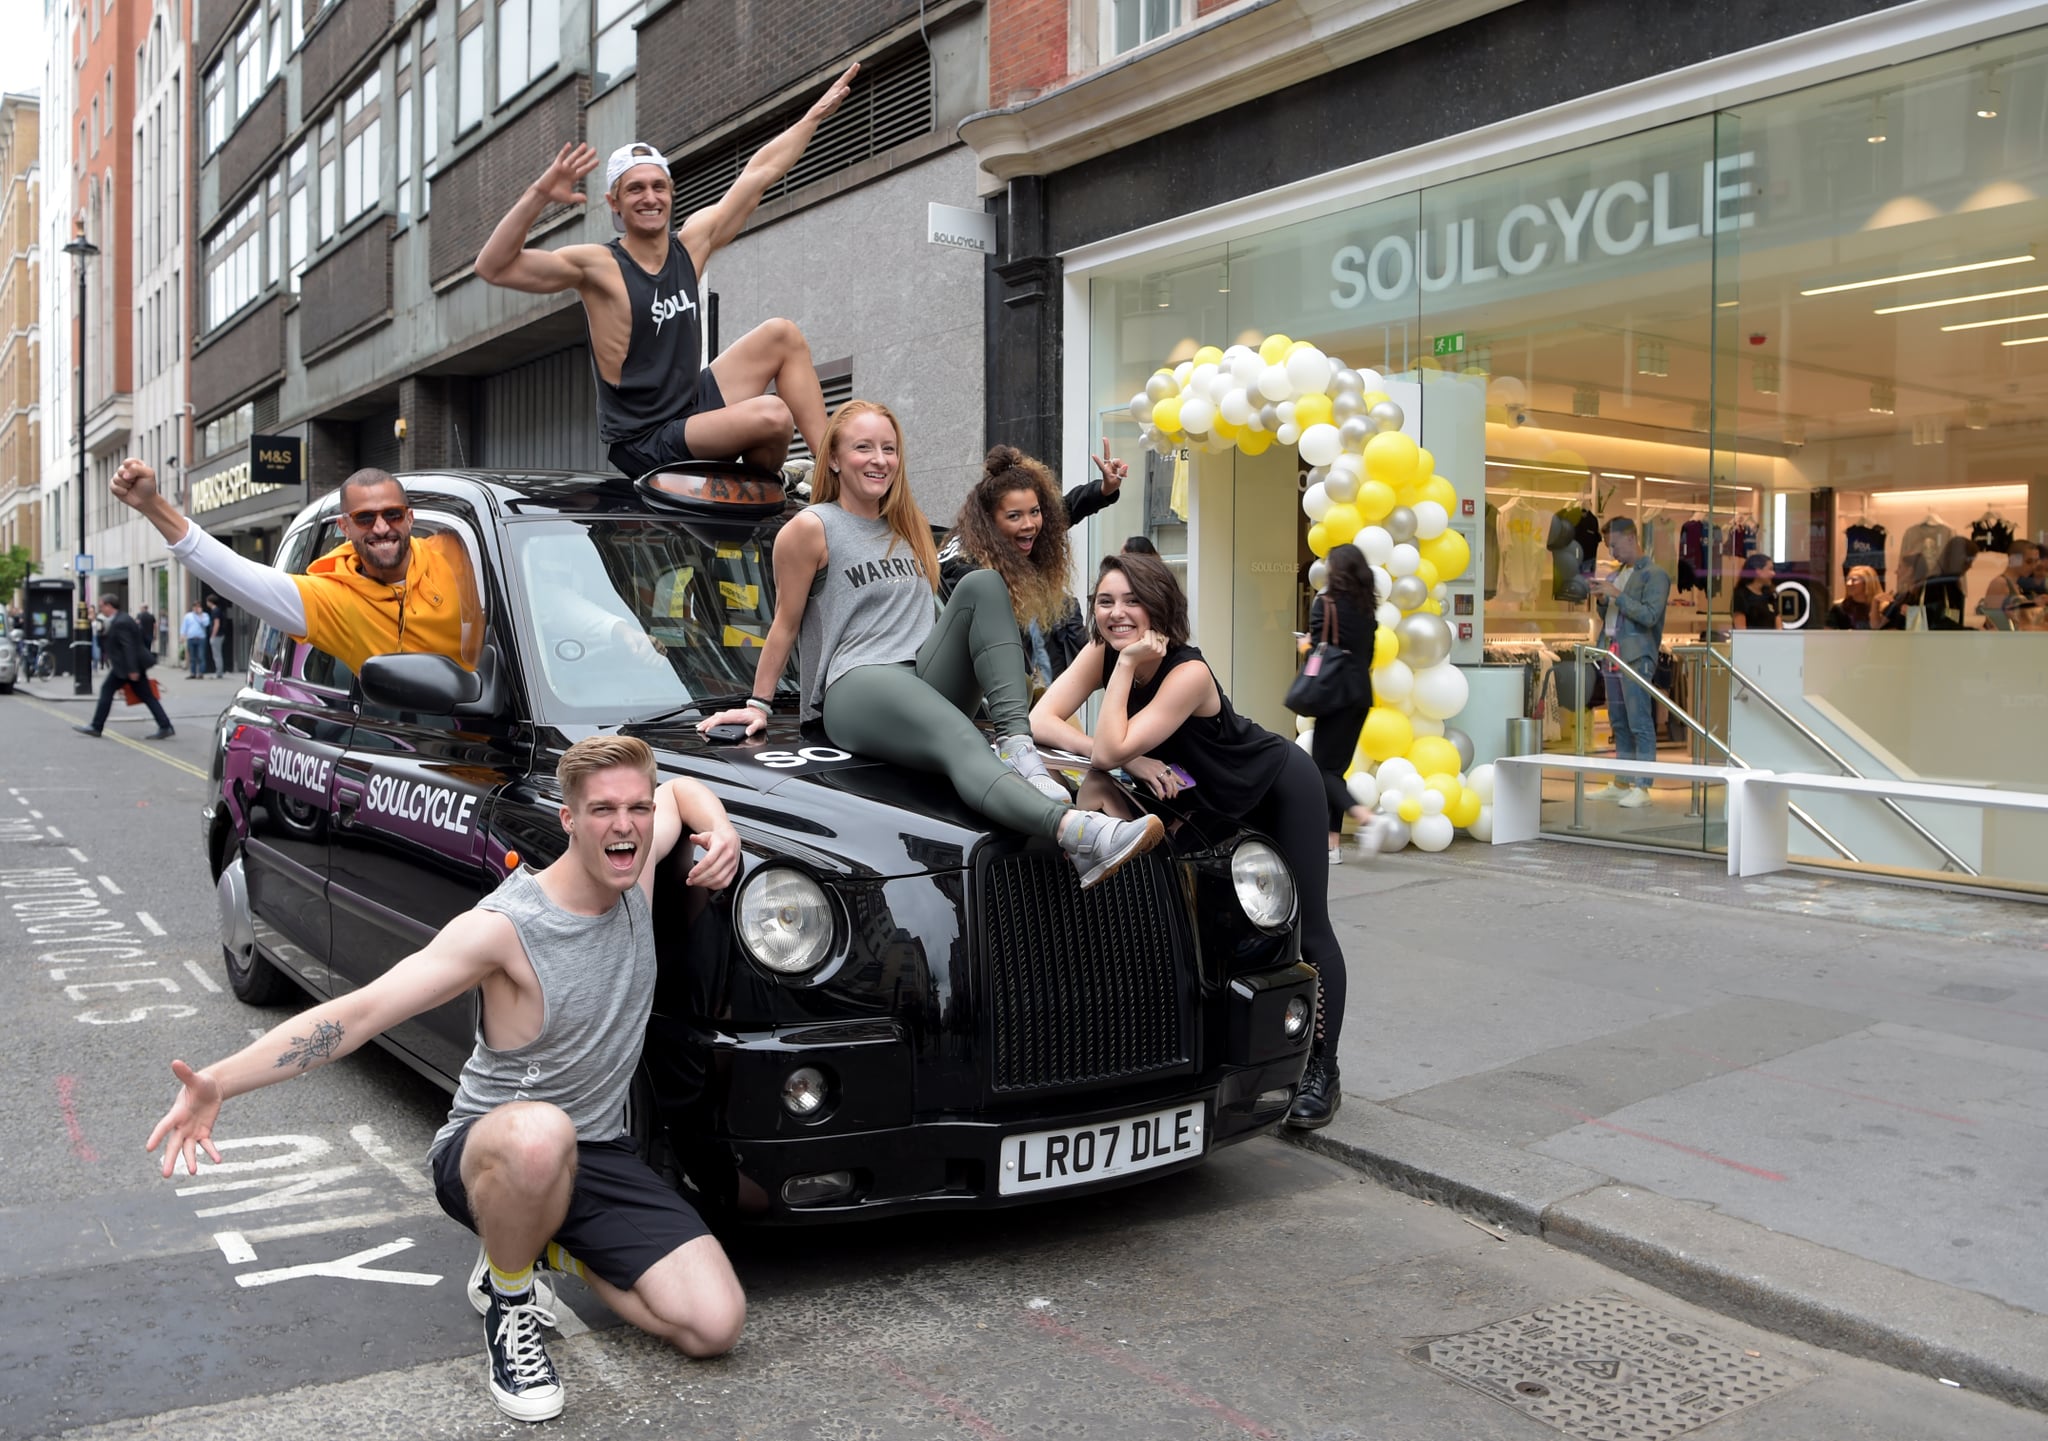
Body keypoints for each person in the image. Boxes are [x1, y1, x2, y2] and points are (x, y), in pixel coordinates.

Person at [146, 736, 744, 1424]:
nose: (627, 823)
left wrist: (718, 826)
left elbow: (680, 794)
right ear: (569, 820)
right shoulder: (507, 927)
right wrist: (220, 1080)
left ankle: (538, 1246)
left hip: (597, 1152)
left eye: (636, 808)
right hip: (492, 1152)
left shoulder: (634, 875)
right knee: (539, 1130)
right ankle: (510, 1301)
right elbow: (361, 1012)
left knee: (713, 1323)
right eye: (604, 809)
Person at [693, 400, 1164, 889]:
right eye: (863, 447)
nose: (879, 459)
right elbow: (784, 624)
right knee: (961, 738)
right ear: (832, 458)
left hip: (920, 675)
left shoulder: (909, 526)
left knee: (983, 584)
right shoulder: (813, 527)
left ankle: (1018, 744)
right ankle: (1080, 835)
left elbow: (1021, 528)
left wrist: (1100, 494)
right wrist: (758, 705)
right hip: (857, 685)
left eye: (889, 448)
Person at [1028, 551, 1348, 1128]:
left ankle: (1323, 1071)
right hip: (1204, 802)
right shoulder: (1102, 651)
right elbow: (1043, 721)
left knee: (1308, 927)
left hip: (1275, 785)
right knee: (1103, 788)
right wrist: (1140, 755)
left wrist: (1122, 676)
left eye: (1132, 601)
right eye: (1105, 601)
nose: (1116, 613)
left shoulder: (1186, 671)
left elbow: (1106, 747)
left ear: (1159, 606)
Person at [474, 67, 859, 482]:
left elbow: (759, 172)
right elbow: (494, 266)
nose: (650, 197)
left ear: (672, 194)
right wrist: (539, 196)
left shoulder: (691, 244)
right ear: (614, 203)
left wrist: (813, 117)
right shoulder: (599, 266)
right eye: (635, 189)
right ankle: (769, 481)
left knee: (781, 334)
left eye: (659, 186)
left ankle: (831, 480)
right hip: (644, 441)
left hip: (690, 409)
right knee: (773, 415)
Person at [113, 459, 482, 675]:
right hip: (405, 746)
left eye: (392, 514)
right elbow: (236, 575)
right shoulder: (332, 598)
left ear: (410, 517)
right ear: (345, 527)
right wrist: (152, 505)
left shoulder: (456, 551)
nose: (382, 527)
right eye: (365, 518)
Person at [936, 443, 1127, 689]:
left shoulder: (994, 540)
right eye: (1014, 516)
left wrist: (1104, 489)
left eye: (1034, 512)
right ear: (989, 521)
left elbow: (1063, 510)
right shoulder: (966, 570)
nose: (1029, 524)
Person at [1305, 545, 1381, 862]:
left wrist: (1304, 646)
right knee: (1334, 771)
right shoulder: (1367, 609)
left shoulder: (1326, 603)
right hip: (1360, 694)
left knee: (1322, 771)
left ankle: (1365, 817)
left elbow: (1316, 648)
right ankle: (1331, 845)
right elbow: (1369, 655)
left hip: (1332, 693)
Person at [1587, 517, 1669, 810]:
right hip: (1612, 652)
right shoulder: (1616, 574)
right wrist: (1602, 598)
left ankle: (1643, 785)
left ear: (1632, 537)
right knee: (1618, 721)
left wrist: (1617, 596)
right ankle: (1622, 781)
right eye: (1609, 546)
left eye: (1615, 545)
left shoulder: (1654, 575)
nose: (1612, 552)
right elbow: (1608, 617)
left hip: (1636, 654)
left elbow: (1649, 615)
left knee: (1639, 722)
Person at [72, 597, 175, 740]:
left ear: (109, 606)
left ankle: (96, 726)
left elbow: (129, 647)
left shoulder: (121, 622)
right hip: (128, 666)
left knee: (107, 690)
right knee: (147, 696)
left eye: (102, 606)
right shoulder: (120, 619)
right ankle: (165, 726)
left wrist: (133, 670)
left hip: (127, 667)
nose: (101, 609)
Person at [1824, 565, 1893, 630]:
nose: (1848, 583)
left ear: (1868, 583)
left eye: (1854, 580)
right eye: (1847, 579)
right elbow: (1828, 635)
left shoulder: (1884, 608)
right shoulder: (1839, 608)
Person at [1731, 552, 1778, 629]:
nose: (1773, 573)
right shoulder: (1741, 595)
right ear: (1758, 571)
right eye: (1770, 569)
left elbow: (1778, 621)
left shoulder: (1770, 594)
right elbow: (1741, 629)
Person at [179, 601, 211, 678]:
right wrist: (182, 635)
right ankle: (193, 673)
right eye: (195, 606)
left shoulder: (205, 615)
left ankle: (201, 673)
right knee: (192, 657)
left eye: (198, 606)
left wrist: (200, 615)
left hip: (201, 638)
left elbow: (206, 624)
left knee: (201, 656)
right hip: (191, 638)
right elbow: (184, 626)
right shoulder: (188, 616)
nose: (196, 608)